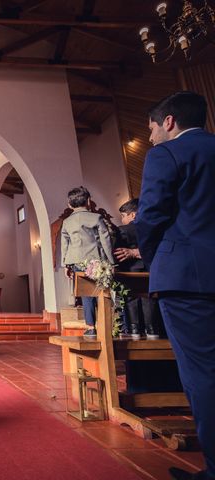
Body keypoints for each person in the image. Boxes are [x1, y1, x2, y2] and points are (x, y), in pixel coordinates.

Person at [136, 91, 215, 480]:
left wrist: (156, 261)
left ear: (168, 122)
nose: (149, 139)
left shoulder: (166, 155)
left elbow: (150, 216)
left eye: (151, 128)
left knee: (202, 373)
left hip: (187, 279)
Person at [61, 186, 115, 338]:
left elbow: (65, 244)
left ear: (69, 204)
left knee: (86, 294)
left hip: (77, 261)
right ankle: (107, 324)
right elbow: (106, 241)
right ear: (88, 201)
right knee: (103, 291)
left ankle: (91, 327)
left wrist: (65, 264)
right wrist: (111, 262)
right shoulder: (96, 218)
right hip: (96, 260)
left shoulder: (67, 222)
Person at [114, 198, 161, 340]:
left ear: (133, 215)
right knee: (150, 299)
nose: (122, 219)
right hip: (149, 269)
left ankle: (134, 331)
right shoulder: (152, 229)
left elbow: (116, 252)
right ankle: (153, 330)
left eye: (123, 215)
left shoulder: (121, 230)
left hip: (130, 270)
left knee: (130, 300)